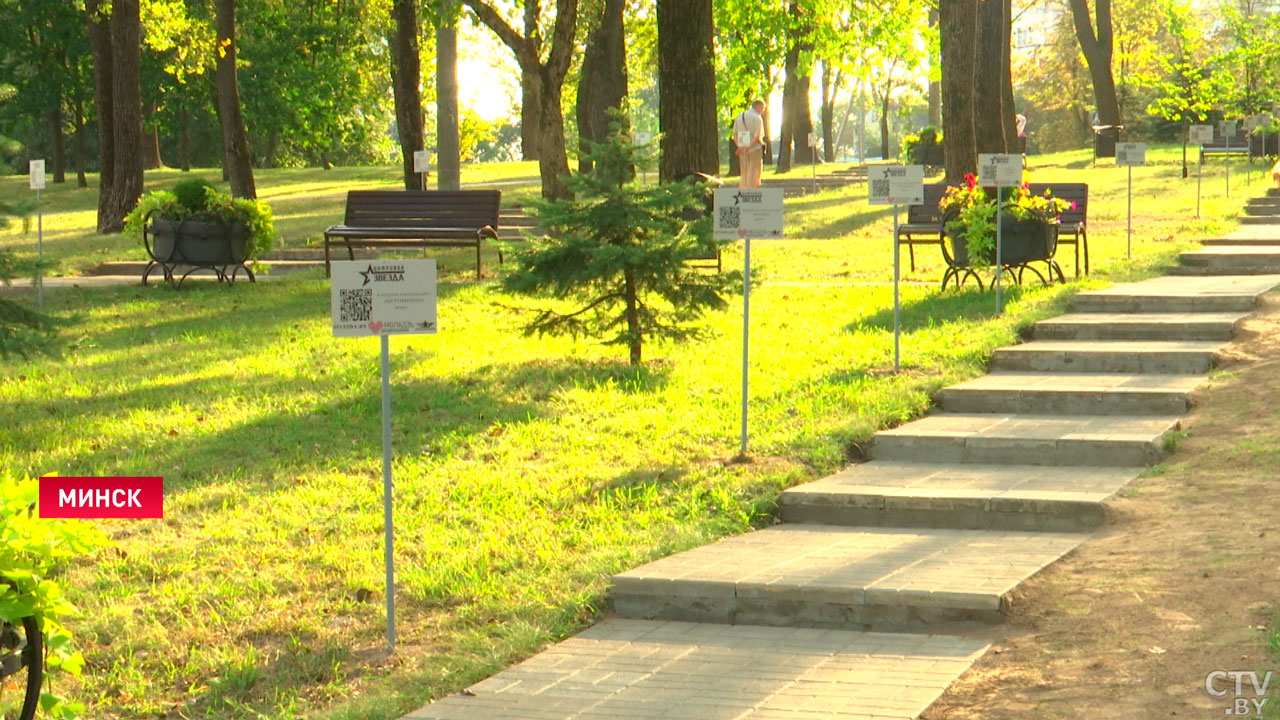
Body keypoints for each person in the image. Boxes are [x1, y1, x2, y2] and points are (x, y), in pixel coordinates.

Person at [733, 99, 766, 189]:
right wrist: (748, 147)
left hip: (742, 149)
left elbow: (735, 134)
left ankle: (743, 191)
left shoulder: (739, 116)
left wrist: (740, 147)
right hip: (754, 149)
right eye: (763, 109)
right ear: (758, 107)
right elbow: (757, 137)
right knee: (754, 172)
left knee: (744, 173)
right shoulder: (757, 118)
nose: (763, 111)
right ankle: (752, 192)